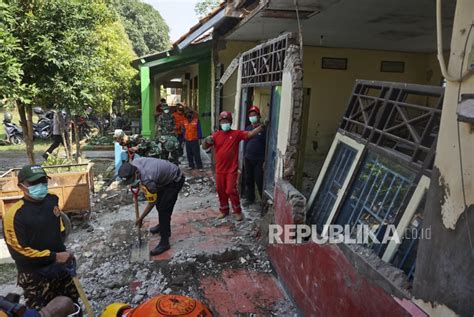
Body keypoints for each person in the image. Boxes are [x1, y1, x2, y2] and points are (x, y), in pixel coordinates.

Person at [2, 165, 79, 311]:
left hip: (60, 268)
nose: (41, 185)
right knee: (43, 312)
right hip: (35, 275)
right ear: (21, 186)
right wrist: (55, 256)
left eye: (43, 180)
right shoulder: (15, 215)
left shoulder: (52, 200)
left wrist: (63, 252)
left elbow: (60, 230)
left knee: (71, 305)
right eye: (34, 183)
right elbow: (19, 252)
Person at [202, 111, 265, 221]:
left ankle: (237, 211)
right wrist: (206, 141)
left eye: (227, 121)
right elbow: (204, 147)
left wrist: (262, 127)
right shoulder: (216, 135)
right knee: (220, 190)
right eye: (223, 121)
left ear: (230, 122)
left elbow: (250, 134)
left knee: (231, 190)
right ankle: (224, 210)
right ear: (220, 123)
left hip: (231, 169)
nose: (225, 123)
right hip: (219, 170)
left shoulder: (236, 134)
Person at [118, 157, 185, 256]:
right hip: (162, 179)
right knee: (160, 205)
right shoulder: (134, 164)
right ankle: (163, 226)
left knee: (164, 209)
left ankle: (164, 242)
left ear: (136, 173)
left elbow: (151, 202)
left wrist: (141, 218)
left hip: (175, 180)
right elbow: (137, 183)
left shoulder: (147, 179)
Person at [243, 106, 266, 205]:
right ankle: (250, 198)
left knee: (259, 179)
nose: (252, 117)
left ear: (258, 116)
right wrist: (244, 156)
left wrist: (266, 160)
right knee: (249, 179)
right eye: (250, 115)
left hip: (259, 160)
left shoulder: (264, 129)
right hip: (248, 158)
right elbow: (245, 143)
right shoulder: (248, 128)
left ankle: (263, 200)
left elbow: (267, 144)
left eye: (254, 115)